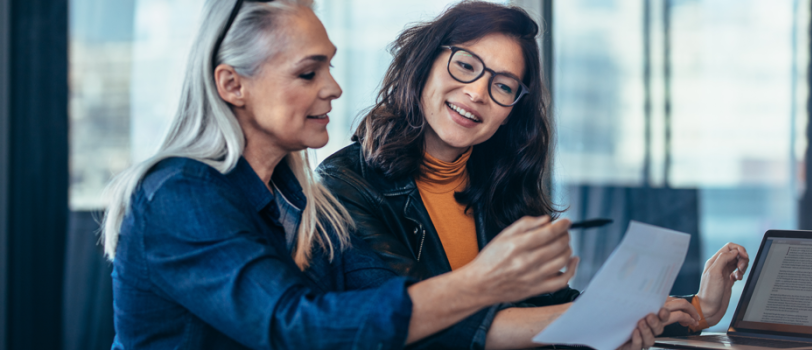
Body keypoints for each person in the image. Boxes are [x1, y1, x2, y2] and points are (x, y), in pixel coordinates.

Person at [101, 0, 614, 348]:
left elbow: (382, 314)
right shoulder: (180, 192)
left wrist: (627, 315)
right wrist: (483, 282)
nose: (334, 89)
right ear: (233, 85)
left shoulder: (301, 202)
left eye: (329, 67)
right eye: (308, 73)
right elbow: (294, 329)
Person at [316, 1, 751, 348]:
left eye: (503, 86)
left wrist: (698, 308)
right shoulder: (344, 185)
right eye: (465, 65)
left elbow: (550, 311)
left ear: (510, 113)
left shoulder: (501, 188)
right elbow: (414, 323)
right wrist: (601, 320)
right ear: (425, 63)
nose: (477, 93)